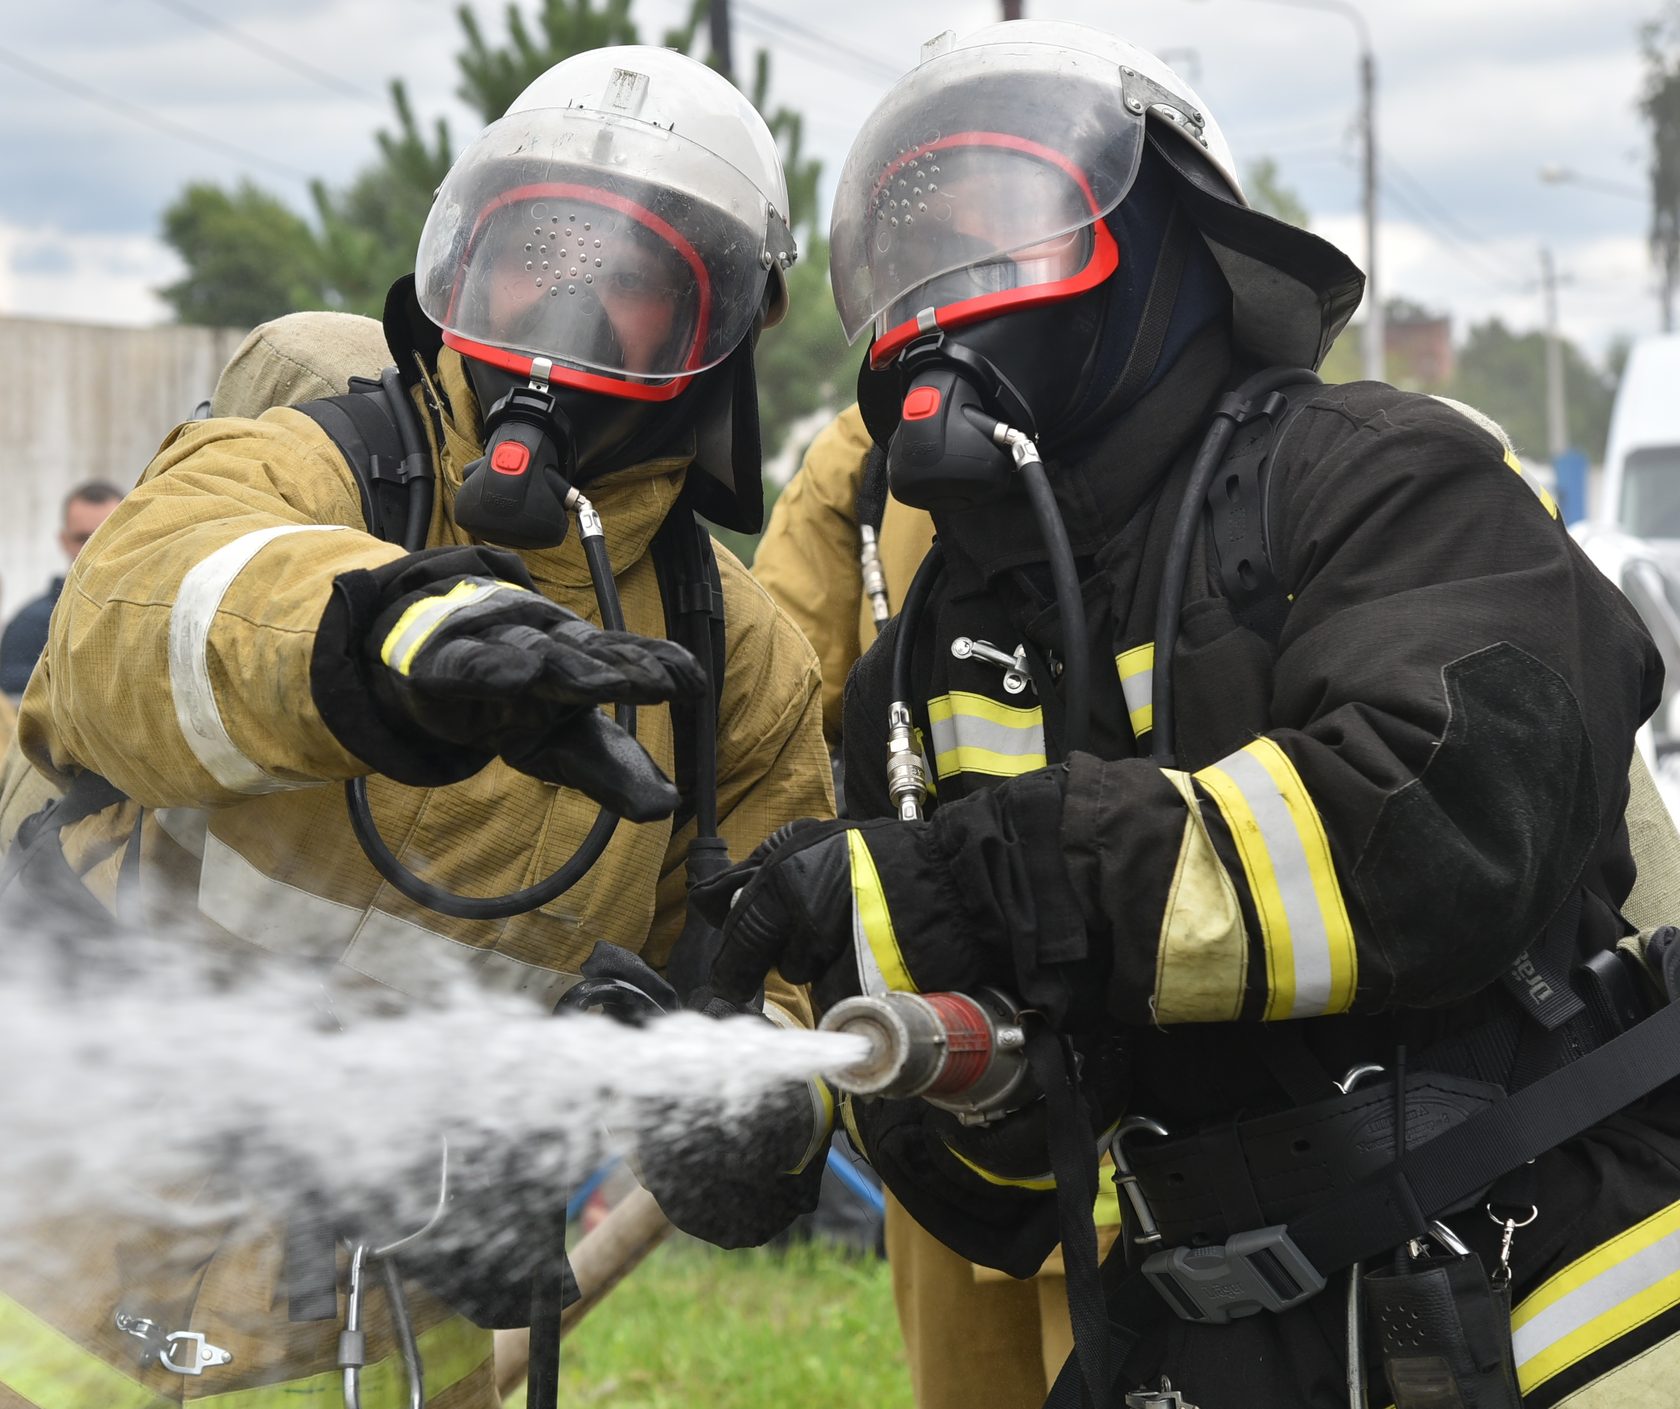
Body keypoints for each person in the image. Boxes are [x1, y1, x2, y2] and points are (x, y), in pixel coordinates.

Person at [701, 20, 1680, 1408]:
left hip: (1564, 1295)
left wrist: (993, 889)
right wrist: (858, 1060)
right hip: (1217, 1325)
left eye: (1009, 221)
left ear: (1164, 245)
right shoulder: (925, 673)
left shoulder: (1386, 478)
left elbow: (1443, 826)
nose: (952, 283)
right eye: (916, 246)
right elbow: (1007, 1194)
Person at [0, 45, 832, 1407]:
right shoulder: (320, 467)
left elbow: (766, 978)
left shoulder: (733, 660)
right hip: (67, 1270)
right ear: (464, 260)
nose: (566, 304)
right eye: (532, 253)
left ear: (725, 329)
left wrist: (753, 1110)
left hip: (387, 1326)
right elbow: (127, 622)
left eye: (632, 280)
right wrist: (383, 639)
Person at [0, 480, 123, 698]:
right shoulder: (31, 624)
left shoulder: (152, 613)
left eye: (105, 535)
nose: (91, 549)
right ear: (64, 541)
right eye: (82, 538)